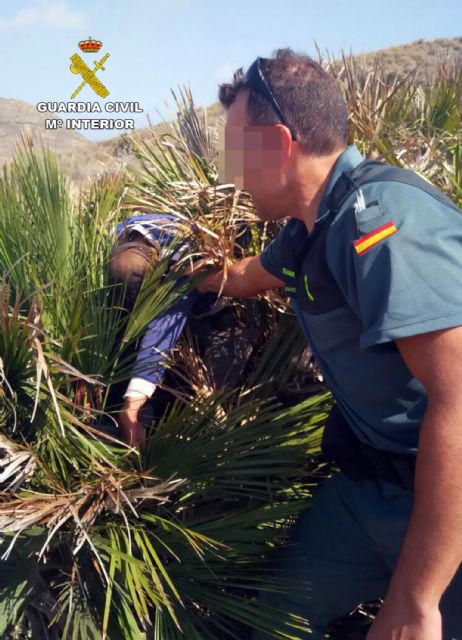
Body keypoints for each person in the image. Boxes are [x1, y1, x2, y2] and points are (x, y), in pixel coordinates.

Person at [195, 48, 462, 639]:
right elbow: (242, 277)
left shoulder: (381, 226)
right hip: (367, 494)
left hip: (446, 509)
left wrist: (417, 601)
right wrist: (174, 270)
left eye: (238, 148)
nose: (232, 173)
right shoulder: (308, 232)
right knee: (267, 621)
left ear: (279, 144)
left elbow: (460, 404)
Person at [108, 212, 250, 447]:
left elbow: (161, 334)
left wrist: (130, 409)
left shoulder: (189, 262)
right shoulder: (114, 236)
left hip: (219, 298)